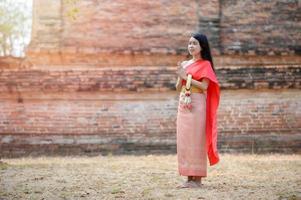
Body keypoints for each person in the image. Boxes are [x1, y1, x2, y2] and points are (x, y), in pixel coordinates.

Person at [175, 33, 220, 188]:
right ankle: (188, 178)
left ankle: (198, 179)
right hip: (183, 102)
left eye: (194, 43)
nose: (191, 46)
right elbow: (177, 87)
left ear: (202, 46)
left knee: (197, 140)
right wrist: (180, 75)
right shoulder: (186, 64)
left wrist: (185, 76)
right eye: (189, 43)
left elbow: (204, 86)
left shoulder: (205, 64)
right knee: (184, 140)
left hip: (197, 103)